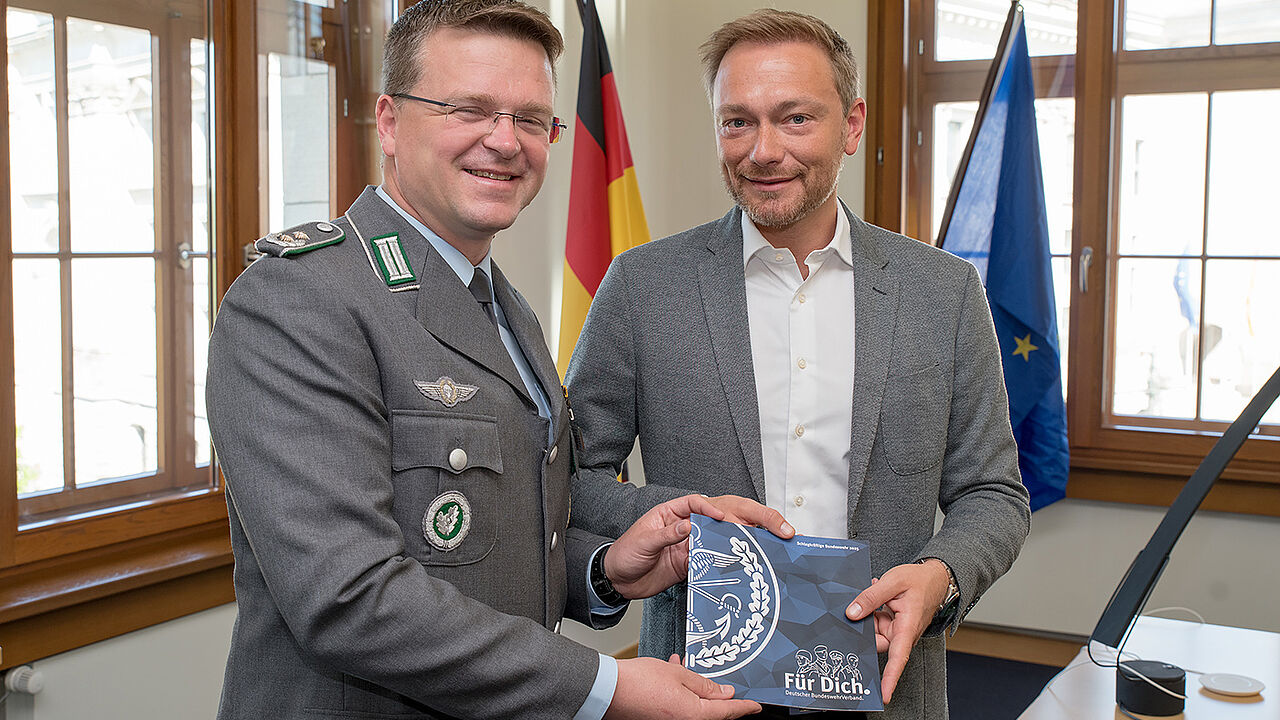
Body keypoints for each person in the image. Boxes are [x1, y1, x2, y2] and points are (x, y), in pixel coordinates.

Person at [206, 2, 781, 718]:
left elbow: (491, 545)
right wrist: (609, 687)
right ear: (389, 121)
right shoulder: (300, 300)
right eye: (469, 109)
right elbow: (349, 598)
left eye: (531, 118)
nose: (505, 142)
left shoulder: (505, 307)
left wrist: (603, 568)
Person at [565, 9, 1031, 719]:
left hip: (886, 688)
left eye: (794, 119)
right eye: (737, 122)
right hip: (697, 690)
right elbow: (573, 478)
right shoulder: (641, 288)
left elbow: (994, 494)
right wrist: (677, 519)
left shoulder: (943, 293)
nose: (763, 150)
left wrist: (941, 575)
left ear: (851, 124)